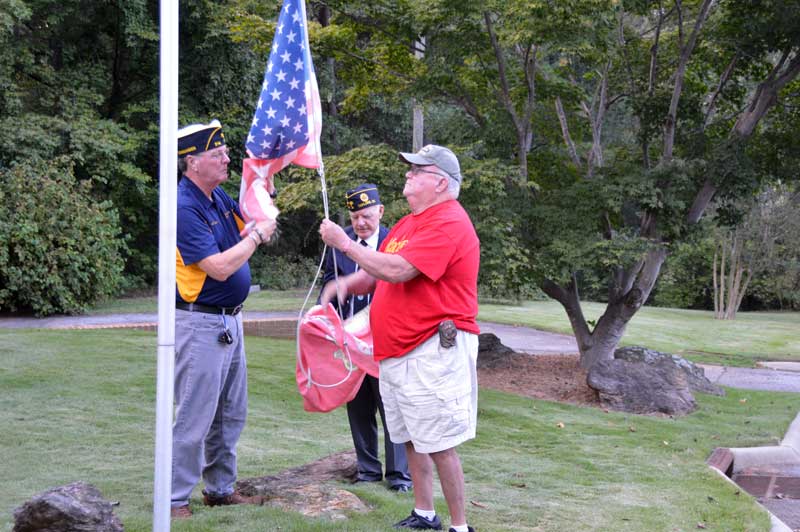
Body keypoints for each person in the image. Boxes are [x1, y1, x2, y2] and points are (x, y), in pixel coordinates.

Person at [319, 145, 479, 532]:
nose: (407, 176)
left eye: (416, 171)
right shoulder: (410, 223)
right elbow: (375, 272)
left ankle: (460, 526)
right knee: (409, 436)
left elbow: (399, 270)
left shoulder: (449, 222)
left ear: (440, 182)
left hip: (431, 350)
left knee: (439, 442)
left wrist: (343, 243)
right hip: (397, 350)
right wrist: (344, 284)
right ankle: (425, 513)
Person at [171, 119, 277, 519]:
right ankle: (175, 498)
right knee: (195, 415)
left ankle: (218, 489)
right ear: (192, 162)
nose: (227, 158)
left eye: (226, 152)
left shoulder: (217, 198)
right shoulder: (184, 206)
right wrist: (256, 236)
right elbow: (217, 267)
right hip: (200, 323)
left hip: (229, 321)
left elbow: (252, 222)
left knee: (230, 413)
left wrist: (263, 197)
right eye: (218, 155)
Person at [319, 183, 412, 492]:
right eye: (355, 216)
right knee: (358, 406)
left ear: (381, 211)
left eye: (367, 216)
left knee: (392, 408)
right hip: (352, 341)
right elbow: (331, 284)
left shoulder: (395, 241)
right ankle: (368, 470)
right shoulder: (338, 243)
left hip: (388, 339)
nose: (361, 223)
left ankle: (399, 476)